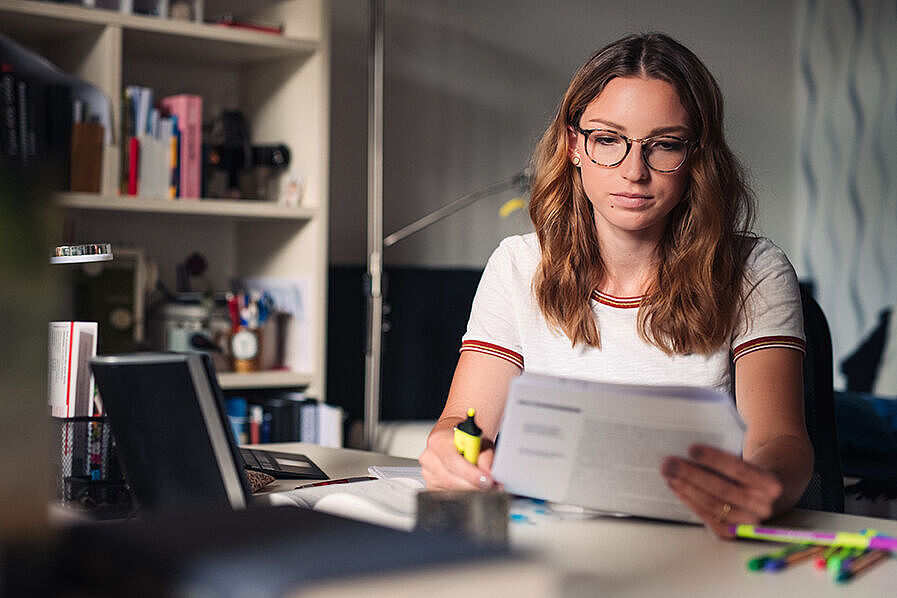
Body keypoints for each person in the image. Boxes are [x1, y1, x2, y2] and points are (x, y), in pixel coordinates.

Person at [419, 32, 813, 537]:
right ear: (574, 145)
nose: (634, 171)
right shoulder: (517, 265)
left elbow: (780, 439)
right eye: (608, 140)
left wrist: (765, 486)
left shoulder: (754, 269)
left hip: (696, 546)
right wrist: (448, 451)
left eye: (665, 145)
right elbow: (461, 422)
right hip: (549, 544)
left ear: (697, 156)